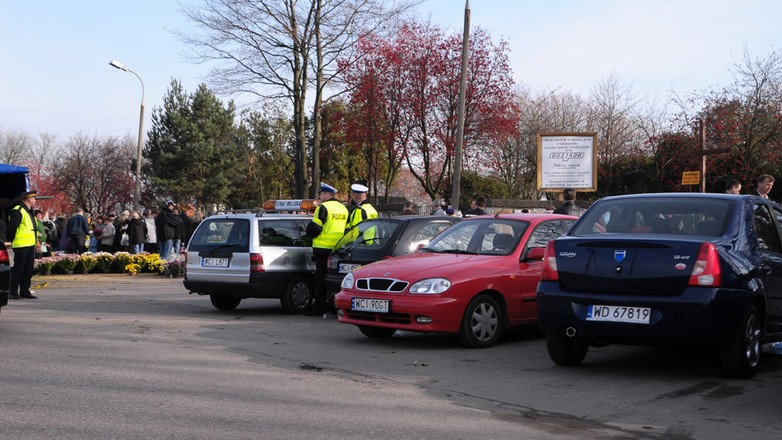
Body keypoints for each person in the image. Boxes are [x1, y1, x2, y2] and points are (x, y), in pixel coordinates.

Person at [305, 182, 348, 316]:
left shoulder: (322, 208)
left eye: (321, 194)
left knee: (321, 279)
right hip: (338, 248)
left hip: (322, 247)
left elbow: (315, 228)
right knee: (336, 278)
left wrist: (307, 234)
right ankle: (336, 307)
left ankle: (319, 307)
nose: (320, 196)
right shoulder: (343, 209)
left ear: (327, 194)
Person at [5, 190, 39, 299]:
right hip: (21, 244)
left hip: (29, 244)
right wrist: (10, 239)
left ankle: (25, 290)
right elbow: (12, 227)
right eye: (34, 198)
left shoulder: (29, 211)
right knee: (19, 269)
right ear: (29, 199)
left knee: (28, 269)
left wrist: (36, 241)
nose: (35, 200)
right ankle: (13, 291)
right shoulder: (18, 210)